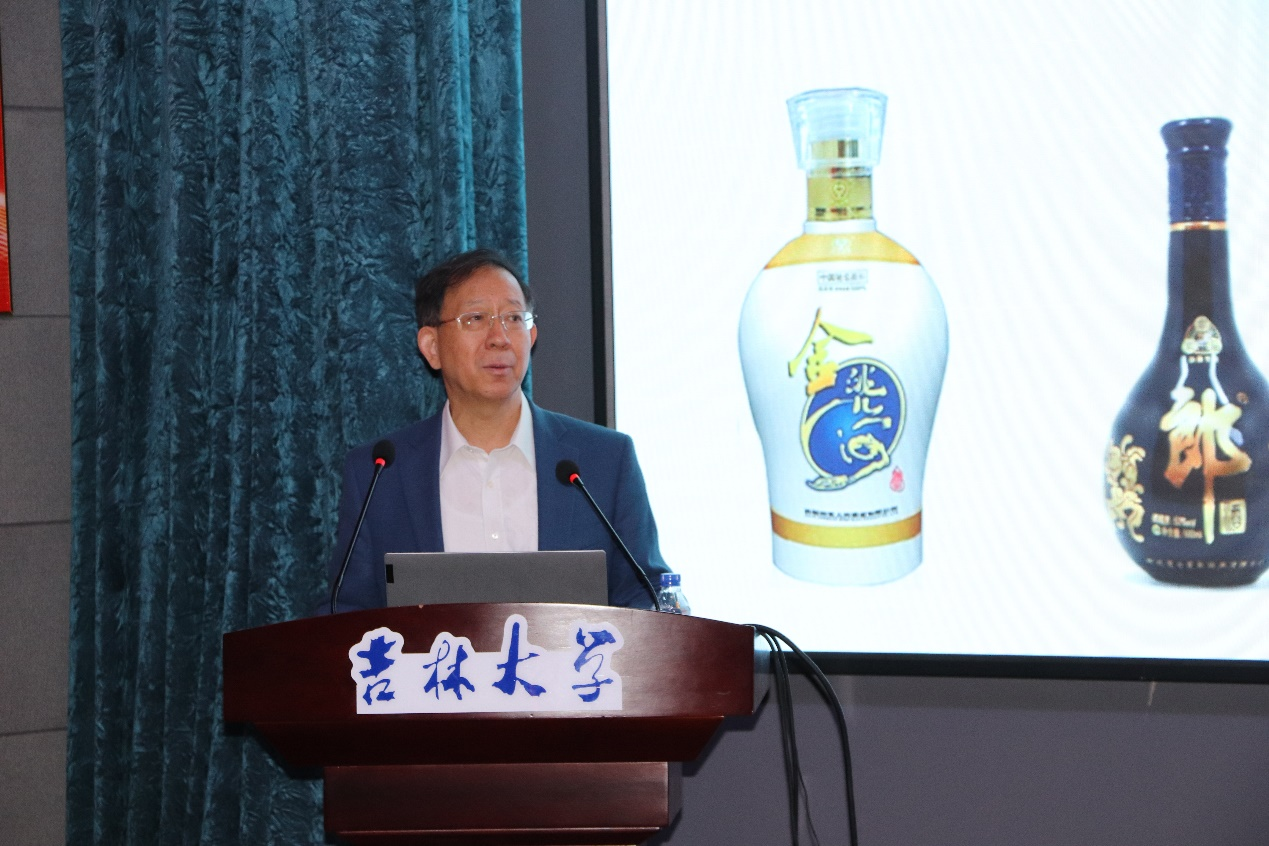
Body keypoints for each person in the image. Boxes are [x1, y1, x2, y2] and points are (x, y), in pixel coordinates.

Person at [326, 248, 669, 611]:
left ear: (531, 336)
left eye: (513, 318)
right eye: (476, 318)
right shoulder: (379, 473)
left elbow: (648, 599)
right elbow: (344, 614)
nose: (499, 337)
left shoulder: (604, 462)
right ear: (432, 347)